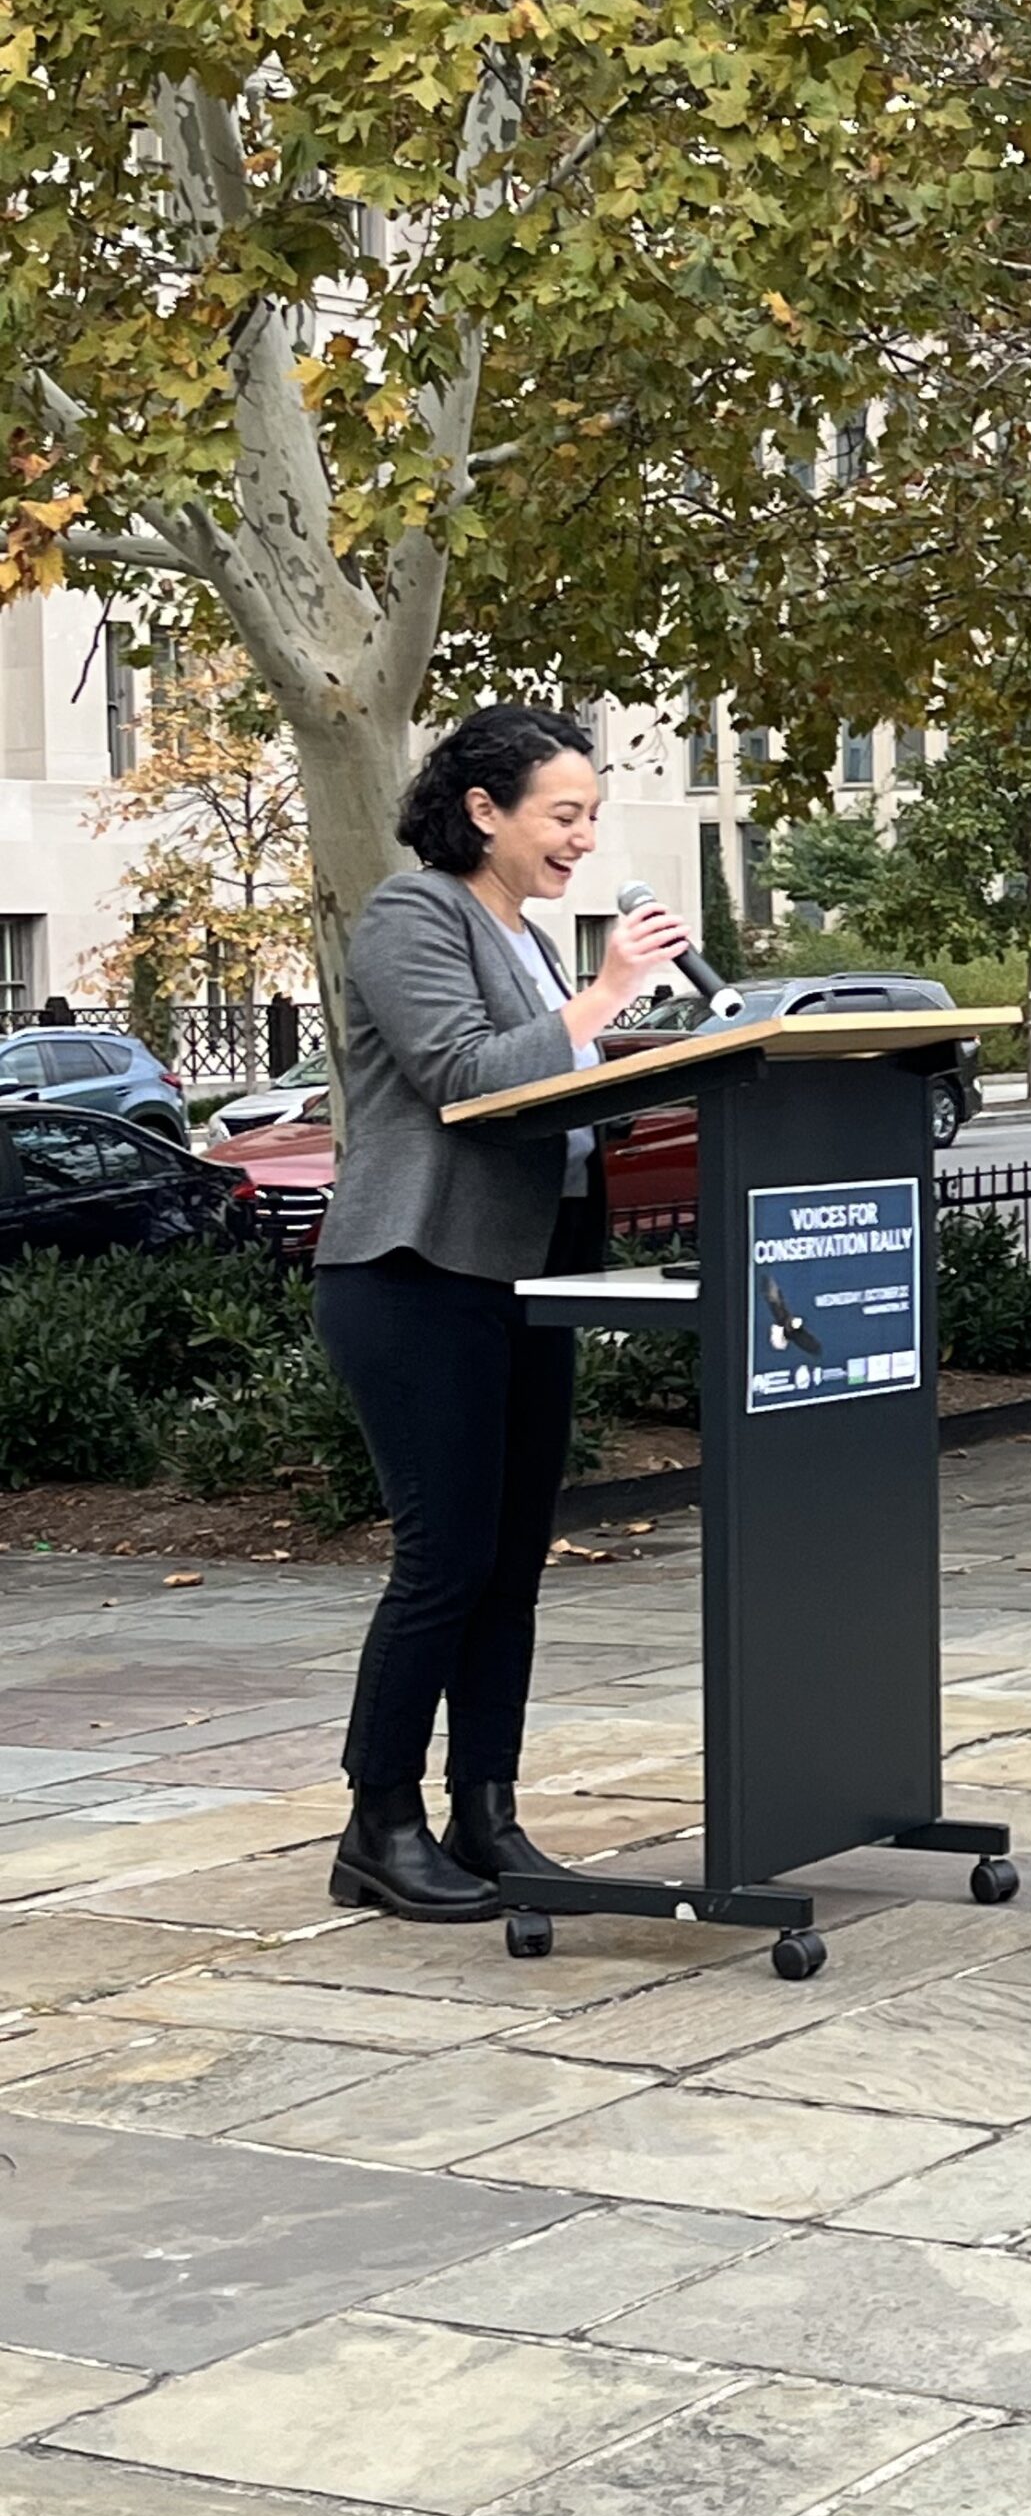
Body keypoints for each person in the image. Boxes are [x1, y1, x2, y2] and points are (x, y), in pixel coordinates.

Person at [312, 704, 693, 1923]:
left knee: (513, 1560)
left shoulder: (523, 934)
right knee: (447, 1560)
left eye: (592, 815)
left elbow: (553, 1082)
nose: (583, 838)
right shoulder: (413, 913)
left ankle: (487, 1811)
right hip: (413, 1270)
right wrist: (608, 991)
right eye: (563, 814)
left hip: (524, 1274)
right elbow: (464, 1074)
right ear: (484, 810)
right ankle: (379, 1824)